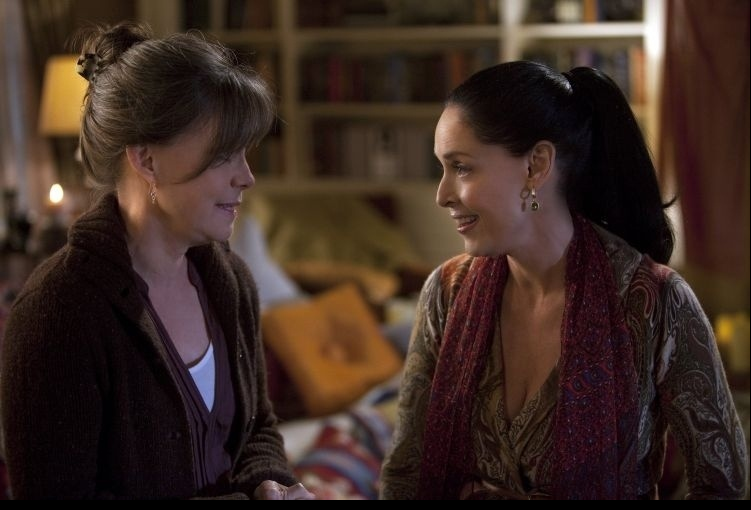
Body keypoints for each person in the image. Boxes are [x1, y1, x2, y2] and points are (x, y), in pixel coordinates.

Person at [379, 61, 748, 500]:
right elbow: (406, 473)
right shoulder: (446, 292)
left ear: (536, 165)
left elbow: (722, 486)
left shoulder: (654, 301)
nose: (442, 195)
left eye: (461, 167)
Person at [0, 22, 313, 500]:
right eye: (224, 155)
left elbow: (258, 429)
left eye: (245, 154)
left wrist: (271, 484)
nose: (246, 177)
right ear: (147, 161)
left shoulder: (231, 281)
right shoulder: (58, 312)